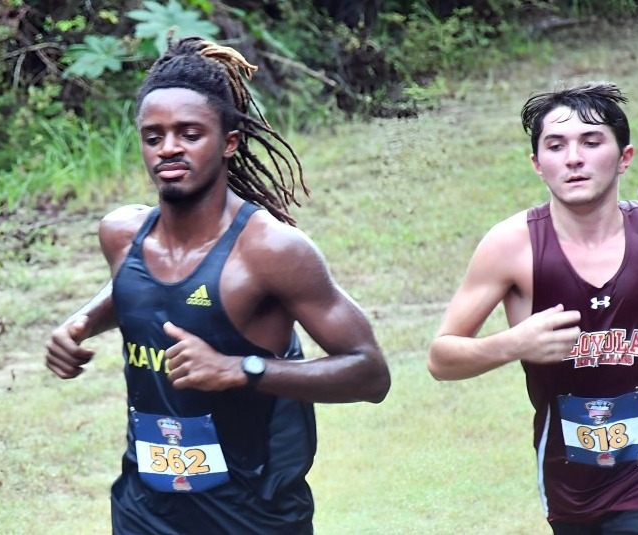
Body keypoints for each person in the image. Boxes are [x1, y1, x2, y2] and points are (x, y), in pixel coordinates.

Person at [45, 37, 390, 534]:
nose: (169, 148)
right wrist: (79, 324)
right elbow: (143, 287)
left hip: (252, 514)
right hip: (144, 508)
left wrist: (241, 369)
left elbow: (370, 374)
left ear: (229, 142)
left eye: (189, 133)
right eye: (154, 136)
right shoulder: (122, 234)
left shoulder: (272, 251)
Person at [427, 82, 638, 534]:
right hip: (566, 475)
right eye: (556, 146)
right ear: (537, 165)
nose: (573, 158)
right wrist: (512, 343)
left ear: (624, 157)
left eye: (591, 141)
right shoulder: (509, 246)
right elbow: (441, 357)